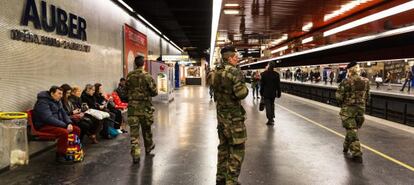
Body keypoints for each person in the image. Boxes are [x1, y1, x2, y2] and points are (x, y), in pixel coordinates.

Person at [212, 46, 248, 185]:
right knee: (237, 149)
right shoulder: (234, 72)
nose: (237, 58)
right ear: (229, 58)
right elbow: (241, 93)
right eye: (235, 56)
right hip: (234, 118)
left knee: (223, 147)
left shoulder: (216, 72)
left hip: (221, 117)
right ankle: (231, 180)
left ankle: (220, 177)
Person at [32, 86, 81, 163]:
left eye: (62, 94)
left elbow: (64, 114)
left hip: (56, 124)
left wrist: (69, 123)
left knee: (76, 129)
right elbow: (47, 118)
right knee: (64, 132)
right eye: (59, 93)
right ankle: (60, 155)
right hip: (44, 125)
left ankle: (72, 151)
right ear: (52, 93)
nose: (61, 96)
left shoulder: (57, 101)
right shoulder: (42, 102)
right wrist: (65, 125)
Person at [336, 61, 370, 163]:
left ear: (350, 70)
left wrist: (343, 105)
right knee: (353, 130)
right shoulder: (366, 81)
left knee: (351, 130)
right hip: (360, 111)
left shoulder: (346, 82)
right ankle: (346, 147)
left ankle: (357, 152)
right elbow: (368, 96)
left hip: (348, 111)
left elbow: (339, 97)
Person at [126, 55, 158, 164]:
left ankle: (136, 154)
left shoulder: (129, 76)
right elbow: (154, 92)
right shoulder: (147, 76)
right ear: (143, 64)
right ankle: (148, 147)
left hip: (132, 109)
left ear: (135, 64)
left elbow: (125, 91)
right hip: (145, 109)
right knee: (146, 129)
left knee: (134, 133)